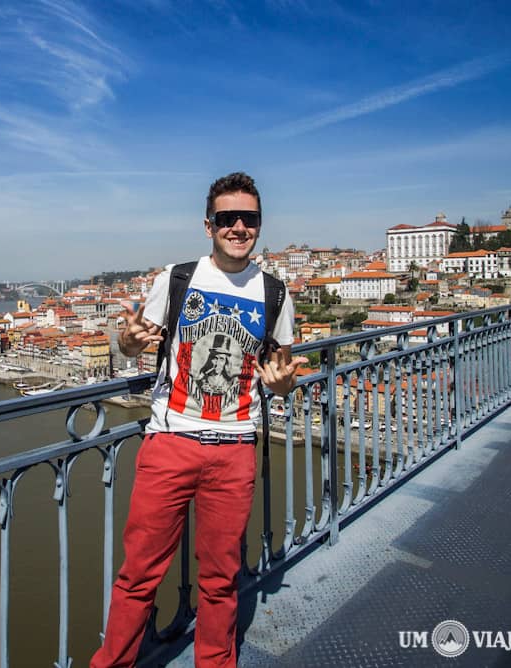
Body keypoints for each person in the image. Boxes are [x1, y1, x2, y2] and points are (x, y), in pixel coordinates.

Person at [91, 172, 306, 668]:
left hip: (234, 450)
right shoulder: (177, 278)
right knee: (138, 574)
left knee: (220, 578)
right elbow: (132, 341)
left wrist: (281, 386)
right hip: (170, 443)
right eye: (226, 218)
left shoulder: (276, 293)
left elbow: (282, 370)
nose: (237, 227)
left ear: (259, 224)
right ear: (208, 225)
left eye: (247, 219)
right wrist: (126, 343)